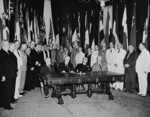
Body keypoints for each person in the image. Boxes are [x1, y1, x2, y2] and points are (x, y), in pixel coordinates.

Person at [0, 40, 17, 110]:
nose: (8, 46)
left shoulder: (8, 53)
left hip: (10, 74)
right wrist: (2, 75)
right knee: (6, 91)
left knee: (8, 89)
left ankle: (5, 102)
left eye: (8, 44)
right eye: (7, 44)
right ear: (3, 45)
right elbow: (0, 66)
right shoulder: (1, 53)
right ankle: (6, 105)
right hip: (5, 75)